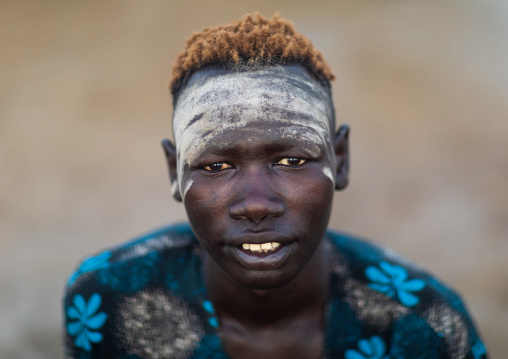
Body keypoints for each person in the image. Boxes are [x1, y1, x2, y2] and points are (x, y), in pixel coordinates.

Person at [63, 13, 488, 359]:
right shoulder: (106, 301)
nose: (256, 204)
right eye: (216, 166)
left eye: (292, 161)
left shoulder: (423, 327)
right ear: (174, 171)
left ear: (340, 159)